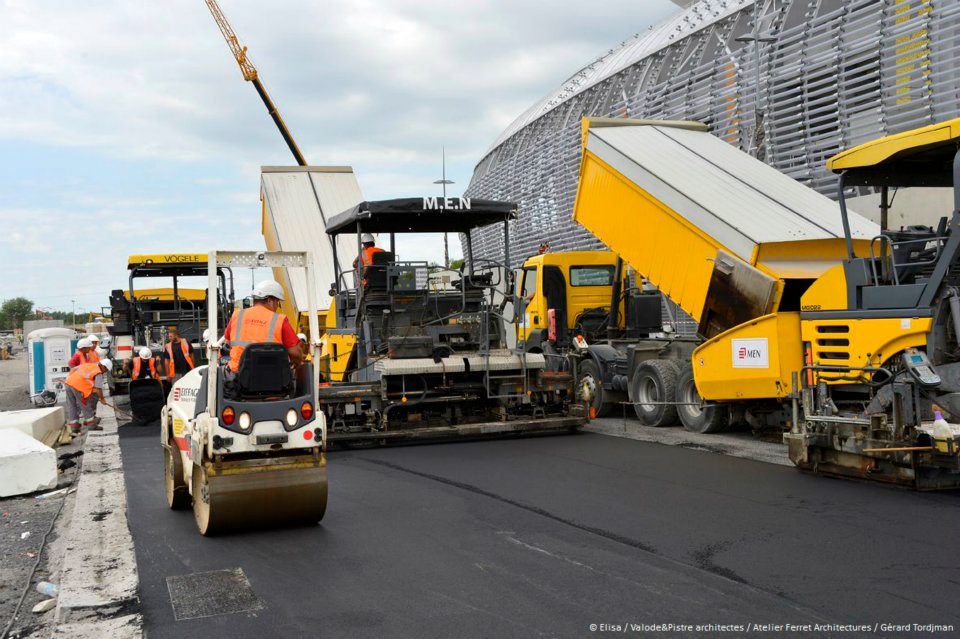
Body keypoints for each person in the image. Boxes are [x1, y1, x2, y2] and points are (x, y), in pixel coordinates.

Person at [223, 280, 302, 373]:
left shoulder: (237, 315)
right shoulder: (280, 320)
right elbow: (295, 353)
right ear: (270, 300)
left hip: (238, 378)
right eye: (278, 303)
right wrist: (297, 363)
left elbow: (227, 343)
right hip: (271, 377)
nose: (277, 306)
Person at [64, 359, 112, 433]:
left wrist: (72, 380)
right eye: (106, 370)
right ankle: (91, 424)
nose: (104, 372)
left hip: (68, 382)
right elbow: (98, 389)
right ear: (103, 367)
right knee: (85, 404)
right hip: (78, 386)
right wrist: (102, 399)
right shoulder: (98, 372)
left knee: (72, 404)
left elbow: (73, 369)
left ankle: (74, 425)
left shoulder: (88, 365)